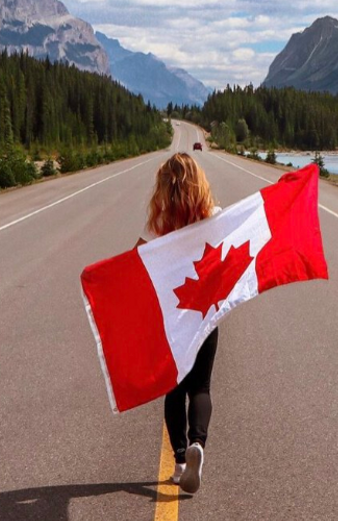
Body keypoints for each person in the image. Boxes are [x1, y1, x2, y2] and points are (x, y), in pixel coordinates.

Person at [139, 152, 220, 494]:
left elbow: (136, 263)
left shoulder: (158, 224)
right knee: (200, 387)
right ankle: (197, 443)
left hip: (173, 319)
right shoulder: (215, 216)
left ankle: (180, 462)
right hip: (205, 314)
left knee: (174, 388)